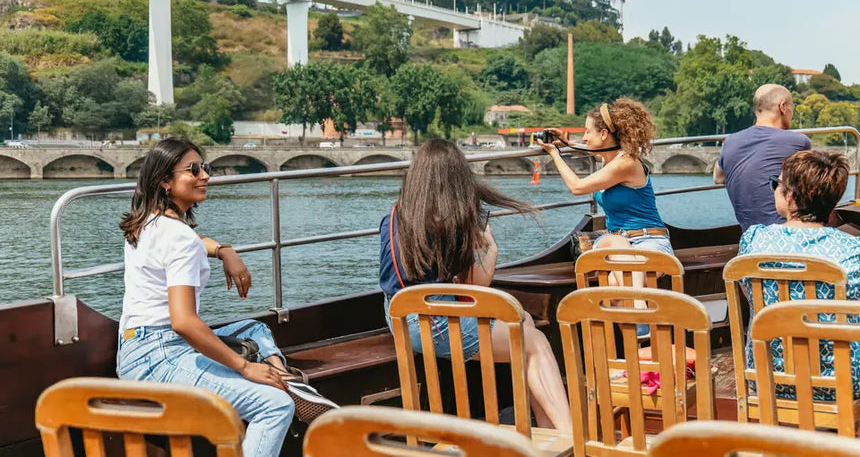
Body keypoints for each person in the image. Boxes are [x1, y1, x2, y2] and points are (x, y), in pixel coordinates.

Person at [117, 138, 335, 457]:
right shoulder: (178, 239)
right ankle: (284, 388)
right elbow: (184, 322)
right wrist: (244, 368)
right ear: (165, 180)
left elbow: (193, 241)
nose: (205, 175)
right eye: (194, 170)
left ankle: (285, 379)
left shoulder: (146, 223)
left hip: (135, 347)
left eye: (205, 168)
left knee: (253, 330)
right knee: (274, 406)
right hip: (160, 355)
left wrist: (223, 250)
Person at [379, 138, 573, 431]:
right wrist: (491, 250)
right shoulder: (451, 221)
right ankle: (572, 439)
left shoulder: (393, 216)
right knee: (535, 342)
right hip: (437, 325)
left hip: (401, 319)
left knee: (526, 324)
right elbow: (475, 290)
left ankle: (547, 431)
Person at [539, 98, 672, 336]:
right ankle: (641, 319)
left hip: (649, 241)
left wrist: (555, 154)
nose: (585, 138)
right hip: (617, 242)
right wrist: (567, 143)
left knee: (614, 288)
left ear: (603, 134)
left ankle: (638, 346)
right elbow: (591, 150)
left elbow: (578, 187)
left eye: (587, 132)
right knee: (617, 243)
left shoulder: (626, 163)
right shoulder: (610, 159)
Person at [738, 150, 860, 400]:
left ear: (790, 197)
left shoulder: (754, 240)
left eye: (776, 184)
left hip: (767, 376)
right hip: (840, 383)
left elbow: (749, 294)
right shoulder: (851, 252)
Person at [714, 84, 810, 232]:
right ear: (783, 107)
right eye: (793, 106)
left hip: (750, 236)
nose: (792, 112)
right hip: (787, 234)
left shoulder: (730, 141)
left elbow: (718, 178)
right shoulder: (798, 142)